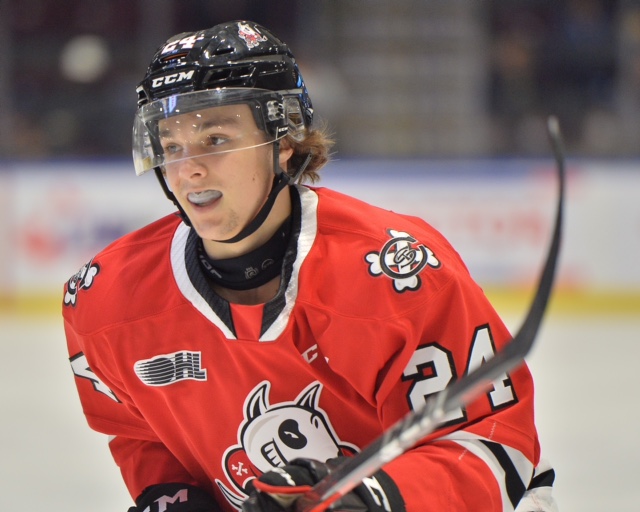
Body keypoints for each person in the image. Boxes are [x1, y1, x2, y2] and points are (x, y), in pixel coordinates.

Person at [62, 20, 557, 512]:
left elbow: (493, 445)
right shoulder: (107, 300)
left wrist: (369, 501)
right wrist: (174, 499)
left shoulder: (396, 275)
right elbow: (140, 435)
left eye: (215, 139)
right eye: (171, 146)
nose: (188, 168)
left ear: (284, 142)